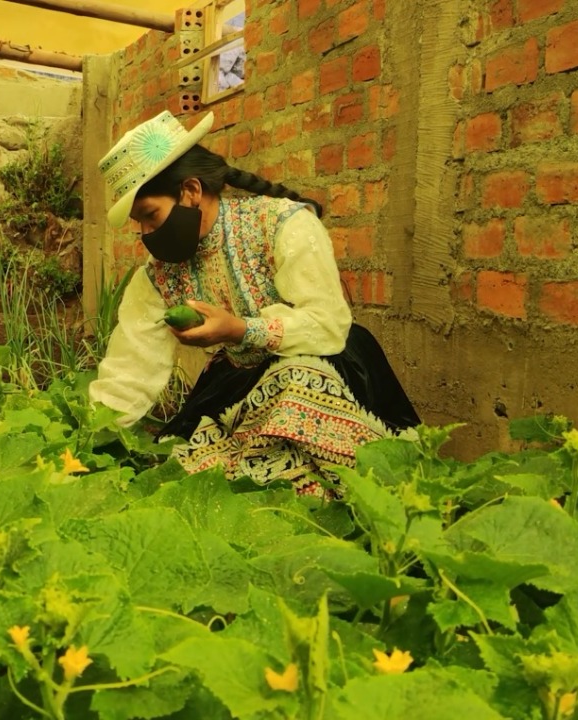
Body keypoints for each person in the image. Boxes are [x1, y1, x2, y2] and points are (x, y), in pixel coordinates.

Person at [89, 110, 420, 495]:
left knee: (311, 459)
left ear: (191, 191)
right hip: (239, 379)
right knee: (182, 467)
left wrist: (242, 329)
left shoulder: (283, 224)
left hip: (324, 365)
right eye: (139, 223)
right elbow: (130, 367)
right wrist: (93, 433)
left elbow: (328, 324)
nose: (146, 234)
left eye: (150, 216)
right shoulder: (157, 276)